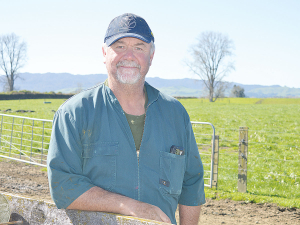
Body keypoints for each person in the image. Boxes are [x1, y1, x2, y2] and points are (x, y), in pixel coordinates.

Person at [47, 13, 205, 225]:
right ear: (104, 53)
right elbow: (63, 185)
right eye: (119, 46)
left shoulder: (175, 114)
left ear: (151, 55)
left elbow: (191, 183)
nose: (129, 55)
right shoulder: (74, 113)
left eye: (139, 47)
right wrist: (130, 206)